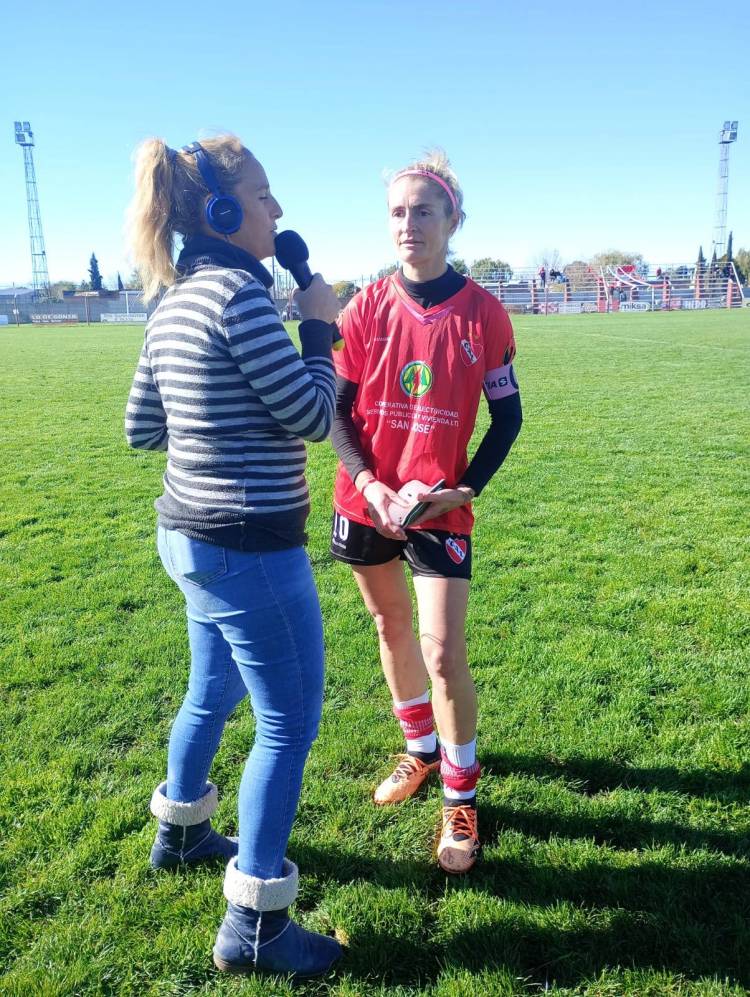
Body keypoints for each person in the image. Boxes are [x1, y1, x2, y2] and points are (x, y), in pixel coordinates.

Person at [125, 134, 342, 977]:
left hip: (185, 536)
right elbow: (310, 415)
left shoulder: (171, 303)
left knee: (210, 687)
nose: (278, 211)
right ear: (220, 211)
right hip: (250, 545)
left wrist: (210, 418)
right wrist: (319, 326)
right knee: (286, 722)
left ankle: (180, 832)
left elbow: (142, 429)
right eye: (263, 196)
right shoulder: (240, 301)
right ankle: (255, 925)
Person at [329, 151, 523, 874]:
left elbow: (507, 418)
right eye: (398, 212)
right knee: (390, 626)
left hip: (438, 510)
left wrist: (465, 488)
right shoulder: (365, 306)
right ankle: (417, 752)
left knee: (443, 650)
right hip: (366, 500)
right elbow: (338, 413)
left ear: (454, 220)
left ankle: (459, 796)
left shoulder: (484, 313)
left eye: (424, 210)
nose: (408, 223)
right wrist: (368, 482)